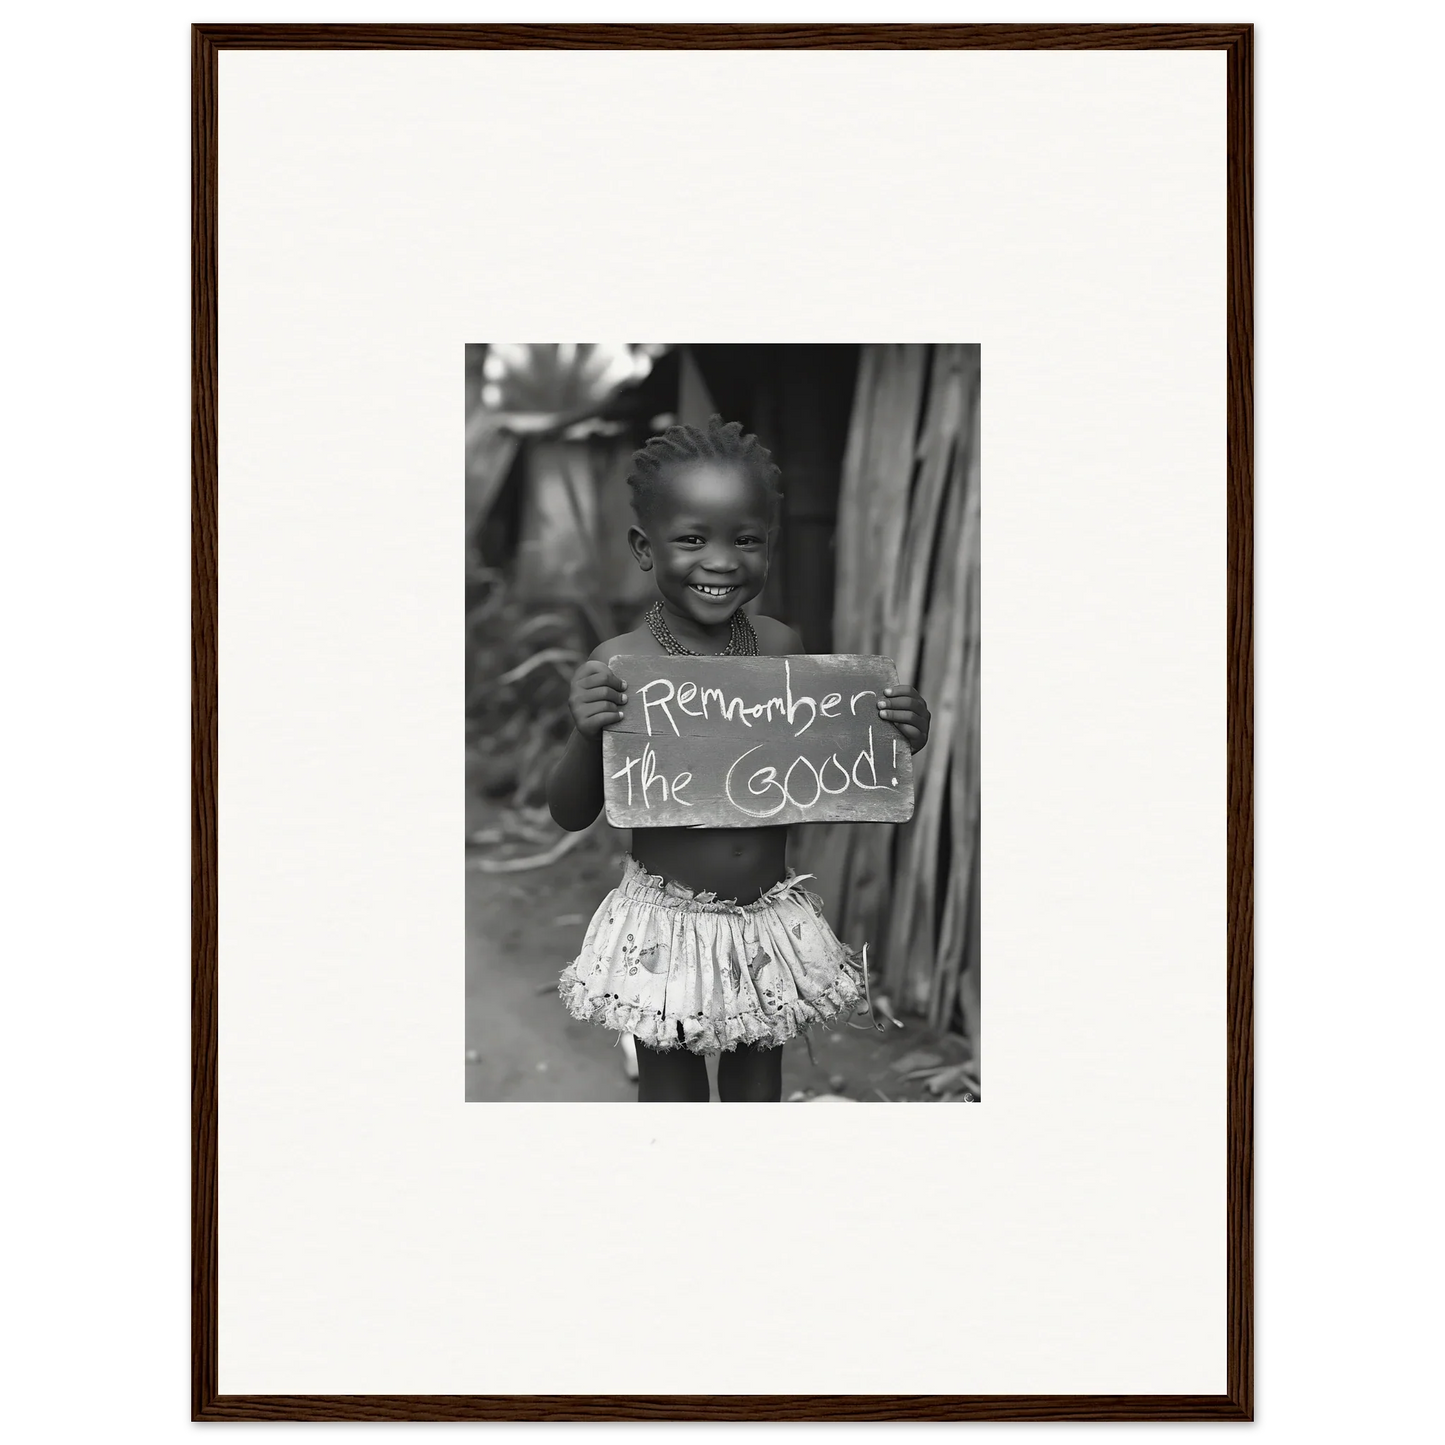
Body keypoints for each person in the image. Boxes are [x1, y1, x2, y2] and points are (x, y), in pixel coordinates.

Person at [547, 415, 931, 1101]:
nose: (721, 561)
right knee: (672, 1093)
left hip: (765, 920)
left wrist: (898, 732)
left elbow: (835, 762)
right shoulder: (621, 665)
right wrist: (584, 733)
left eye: (745, 540)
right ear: (644, 547)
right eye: (692, 539)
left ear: (770, 547)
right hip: (664, 928)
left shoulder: (783, 649)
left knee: (758, 1089)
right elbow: (569, 811)